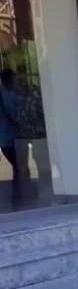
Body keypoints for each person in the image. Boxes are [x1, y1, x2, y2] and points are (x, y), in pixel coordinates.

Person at [0, 69, 21, 202]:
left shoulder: (4, 95)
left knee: (17, 168)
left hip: (5, 139)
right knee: (19, 168)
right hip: (15, 136)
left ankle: (18, 196)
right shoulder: (16, 96)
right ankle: (19, 195)